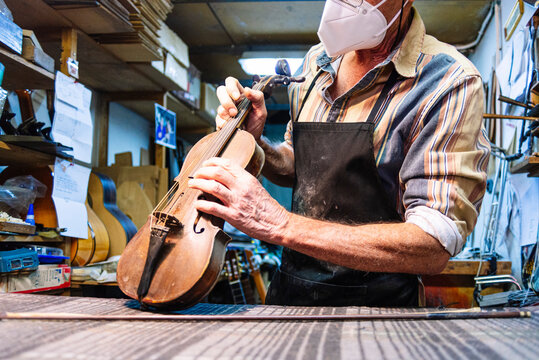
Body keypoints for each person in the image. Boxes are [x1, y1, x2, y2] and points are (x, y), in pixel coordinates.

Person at [187, 0, 490, 306]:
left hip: (381, 311)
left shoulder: (448, 82)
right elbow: (298, 164)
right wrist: (256, 142)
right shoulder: (316, 62)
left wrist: (278, 223)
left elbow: (432, 244)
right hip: (290, 297)